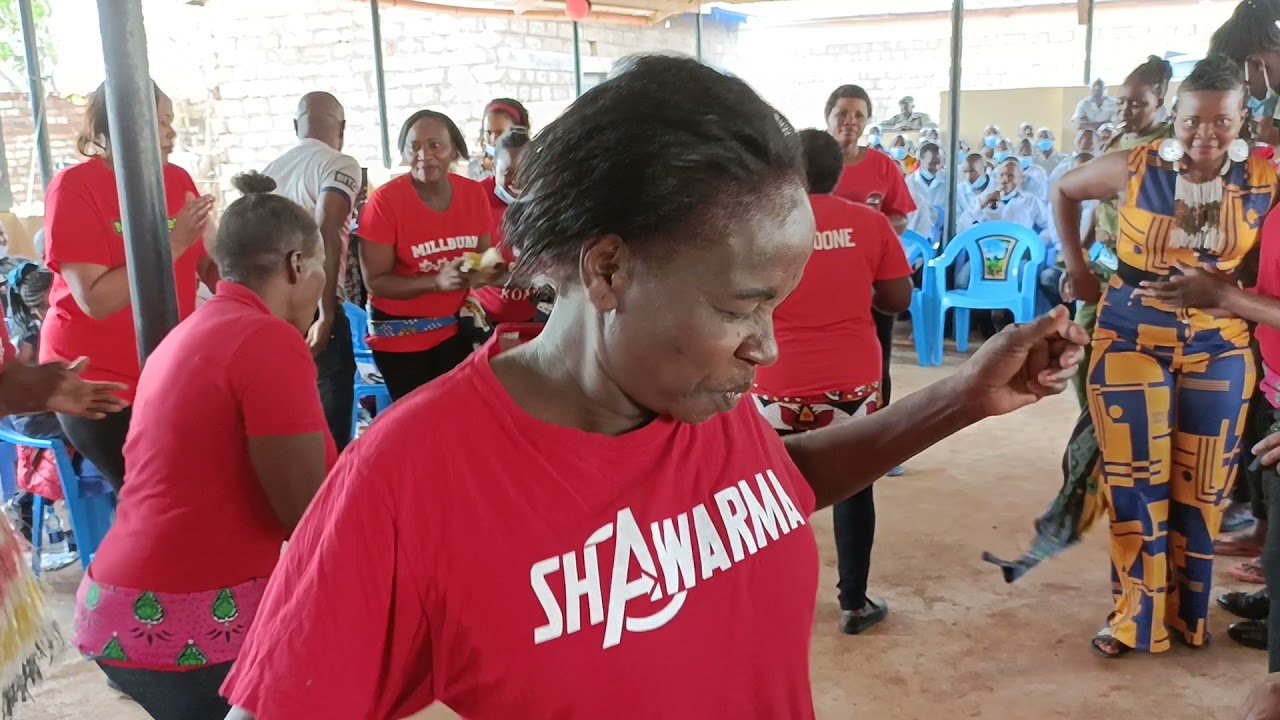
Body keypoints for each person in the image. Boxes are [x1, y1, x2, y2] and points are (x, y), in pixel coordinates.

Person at [219, 53, 1088, 720]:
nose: (767, 349)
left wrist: (963, 397)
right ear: (606, 269)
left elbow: (773, 493)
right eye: (743, 307)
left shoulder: (696, 391)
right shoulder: (411, 477)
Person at [72, 172, 335, 720]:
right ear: (296, 265)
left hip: (119, 604)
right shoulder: (269, 341)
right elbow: (309, 516)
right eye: (321, 270)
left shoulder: (194, 330)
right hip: (188, 621)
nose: (320, 288)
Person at [1055, 55, 1277, 657]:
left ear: (1244, 119)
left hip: (1221, 346)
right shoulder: (1135, 165)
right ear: (1173, 118)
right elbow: (1065, 189)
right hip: (1130, 336)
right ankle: (1133, 616)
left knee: (1203, 490)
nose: (1206, 133)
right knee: (1135, 484)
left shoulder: (1265, 177)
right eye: (1193, 120)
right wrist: (1078, 268)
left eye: (1222, 121)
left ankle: (1186, 615)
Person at [755, 128, 914, 636]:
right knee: (854, 490)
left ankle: (772, 602)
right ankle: (854, 604)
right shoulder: (868, 223)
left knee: (770, 492)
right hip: (851, 389)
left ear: (789, 173)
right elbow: (897, 300)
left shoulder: (762, 226)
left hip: (772, 387)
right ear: (836, 173)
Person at [40, 80, 217, 493]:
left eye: (170, 121)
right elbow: (95, 300)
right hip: (97, 381)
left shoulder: (175, 179)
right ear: (119, 127)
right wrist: (172, 243)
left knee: (199, 486)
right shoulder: (76, 186)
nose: (171, 132)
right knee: (148, 494)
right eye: (159, 122)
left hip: (167, 369)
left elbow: (209, 261)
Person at [358, 109, 501, 400]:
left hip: (457, 328)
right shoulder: (385, 202)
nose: (424, 154)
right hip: (400, 338)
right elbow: (375, 281)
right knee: (419, 418)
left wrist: (498, 271)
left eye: (435, 145)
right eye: (414, 146)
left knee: (460, 412)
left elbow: (486, 264)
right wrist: (436, 282)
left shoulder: (473, 195)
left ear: (454, 151)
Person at [824, 84, 917, 476]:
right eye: (842, 114)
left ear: (867, 121)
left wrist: (869, 224)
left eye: (858, 115)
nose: (850, 122)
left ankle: (881, 445)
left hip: (873, 279)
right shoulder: (807, 161)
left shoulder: (882, 165)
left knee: (878, 358)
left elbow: (901, 215)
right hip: (819, 280)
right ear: (827, 116)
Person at [262, 91, 362, 450]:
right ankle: (330, 502)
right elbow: (327, 229)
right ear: (343, 127)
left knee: (290, 425)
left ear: (295, 126)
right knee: (330, 431)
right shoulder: (340, 164)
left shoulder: (270, 171)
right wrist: (326, 312)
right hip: (312, 307)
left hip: (272, 312)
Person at [472, 128, 549, 329]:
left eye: (526, 171)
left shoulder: (548, 199)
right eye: (507, 172)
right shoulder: (475, 199)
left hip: (542, 317)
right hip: (486, 319)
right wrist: (509, 278)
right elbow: (467, 268)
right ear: (493, 166)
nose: (518, 180)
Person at [958, 158, 1053, 245]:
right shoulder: (981, 199)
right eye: (1001, 175)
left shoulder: (1030, 201)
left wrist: (1033, 245)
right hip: (985, 253)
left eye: (1011, 177)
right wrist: (981, 207)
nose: (1004, 180)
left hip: (1019, 255)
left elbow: (1050, 227)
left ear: (1021, 180)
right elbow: (961, 227)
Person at [469, 98, 531, 180]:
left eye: (500, 133)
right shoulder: (474, 168)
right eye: (488, 132)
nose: (493, 139)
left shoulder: (531, 167)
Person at [905, 142, 945, 238]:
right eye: (931, 163)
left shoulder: (946, 180)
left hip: (942, 232)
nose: (936, 167)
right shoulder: (909, 182)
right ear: (920, 161)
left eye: (938, 163)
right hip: (917, 232)